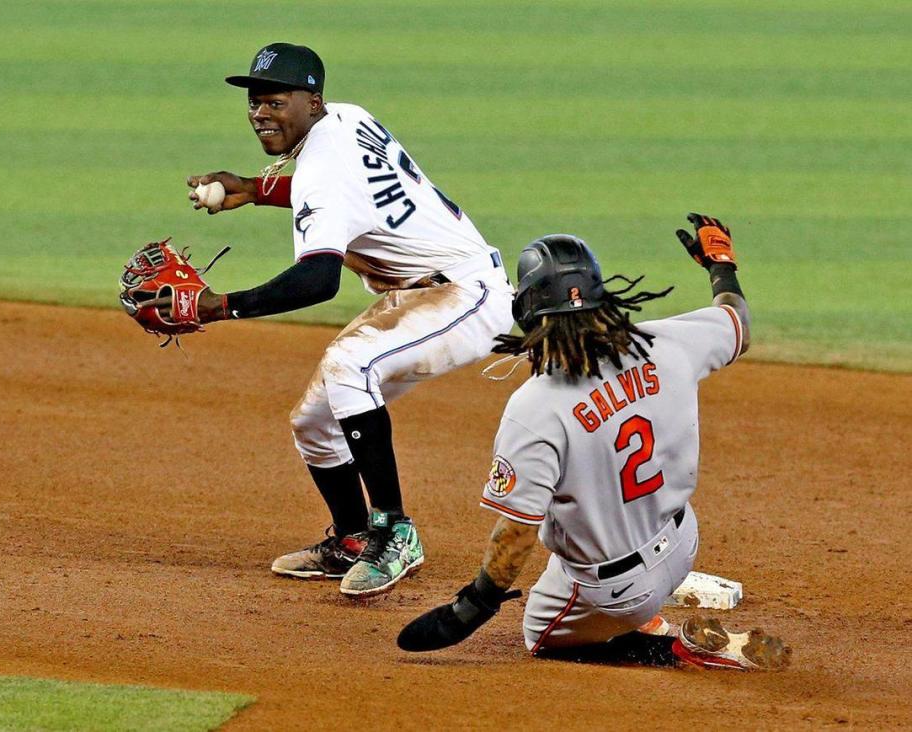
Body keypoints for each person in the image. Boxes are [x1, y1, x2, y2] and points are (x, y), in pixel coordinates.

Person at [184, 43, 514, 597]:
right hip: (421, 293)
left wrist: (217, 306)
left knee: (348, 362)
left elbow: (319, 280)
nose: (261, 112)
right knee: (313, 424)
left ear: (312, 102)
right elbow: (348, 193)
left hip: (466, 295)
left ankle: (395, 529)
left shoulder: (321, 168)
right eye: (255, 102)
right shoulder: (347, 117)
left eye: (276, 101)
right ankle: (355, 539)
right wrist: (254, 187)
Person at [398, 215, 791, 670]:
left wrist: (470, 608)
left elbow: (518, 533)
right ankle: (643, 609)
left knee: (540, 635)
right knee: (574, 537)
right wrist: (720, 265)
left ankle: (674, 648)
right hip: (682, 543)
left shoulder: (535, 407)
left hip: (615, 594)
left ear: (527, 310)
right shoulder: (664, 343)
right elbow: (735, 318)